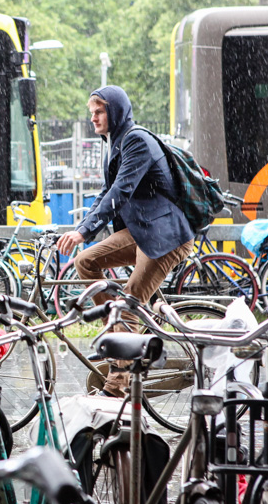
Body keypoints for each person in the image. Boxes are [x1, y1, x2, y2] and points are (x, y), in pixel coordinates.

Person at [56, 85, 195, 397]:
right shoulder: (114, 143)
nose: (93, 118)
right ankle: (118, 337)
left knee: (130, 301)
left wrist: (84, 231)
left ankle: (117, 384)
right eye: (91, 112)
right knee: (85, 261)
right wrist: (80, 229)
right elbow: (106, 194)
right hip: (140, 231)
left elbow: (120, 192)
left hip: (164, 236)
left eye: (99, 111)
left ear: (115, 111)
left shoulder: (136, 140)